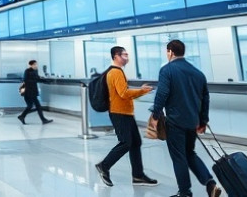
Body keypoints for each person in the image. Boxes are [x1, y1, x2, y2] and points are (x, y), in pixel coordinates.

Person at [149, 40, 222, 197]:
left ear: (170, 52)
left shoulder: (167, 70)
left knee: (179, 157)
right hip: (192, 122)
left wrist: (155, 115)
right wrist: (203, 121)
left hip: (175, 121)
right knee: (190, 153)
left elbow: (162, 94)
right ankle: (210, 183)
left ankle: (185, 192)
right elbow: (205, 98)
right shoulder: (197, 73)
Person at [95, 46, 157, 188]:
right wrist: (142, 91)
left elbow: (122, 92)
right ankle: (104, 166)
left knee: (135, 142)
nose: (127, 58)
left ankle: (138, 175)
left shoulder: (116, 72)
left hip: (125, 113)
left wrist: (140, 90)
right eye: (124, 55)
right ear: (116, 56)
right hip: (119, 113)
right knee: (126, 142)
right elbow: (123, 93)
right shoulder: (115, 72)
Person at [17, 60, 52, 125]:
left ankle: (22, 116)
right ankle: (43, 120)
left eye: (36, 64)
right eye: (34, 64)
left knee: (30, 106)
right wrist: (35, 80)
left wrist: (46, 80)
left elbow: (38, 78)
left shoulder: (35, 71)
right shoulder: (27, 71)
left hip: (33, 91)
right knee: (37, 106)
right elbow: (26, 80)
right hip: (28, 92)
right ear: (30, 65)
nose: (36, 65)